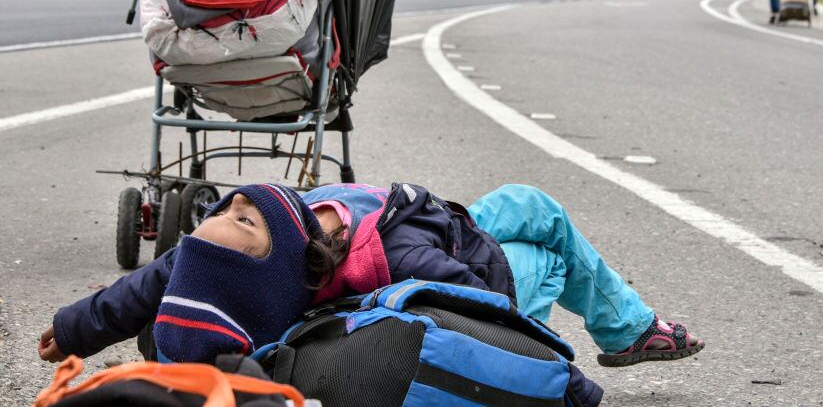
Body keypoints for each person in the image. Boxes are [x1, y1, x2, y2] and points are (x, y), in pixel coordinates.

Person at [39, 183, 703, 400]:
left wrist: (77, 326)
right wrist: (567, 380)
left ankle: (630, 326)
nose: (234, 208)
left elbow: (162, 276)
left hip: (447, 220)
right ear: (290, 262)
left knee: (528, 201)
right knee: (547, 256)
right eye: (241, 218)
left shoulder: (267, 224)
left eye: (236, 207)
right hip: (473, 268)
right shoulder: (387, 260)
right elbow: (487, 314)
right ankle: (625, 332)